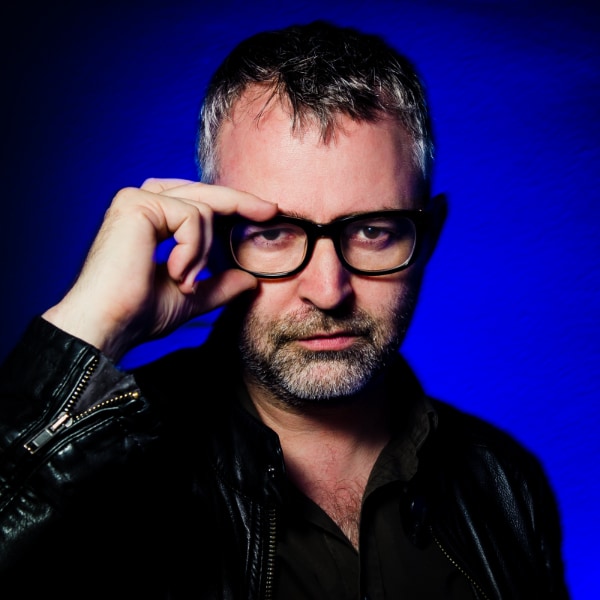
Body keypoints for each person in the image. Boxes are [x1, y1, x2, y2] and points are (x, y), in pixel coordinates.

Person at [0, 20, 568, 600]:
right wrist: (86, 325)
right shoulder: (100, 475)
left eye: (373, 231)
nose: (327, 291)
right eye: (273, 234)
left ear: (430, 236)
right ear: (218, 234)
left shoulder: (501, 481)